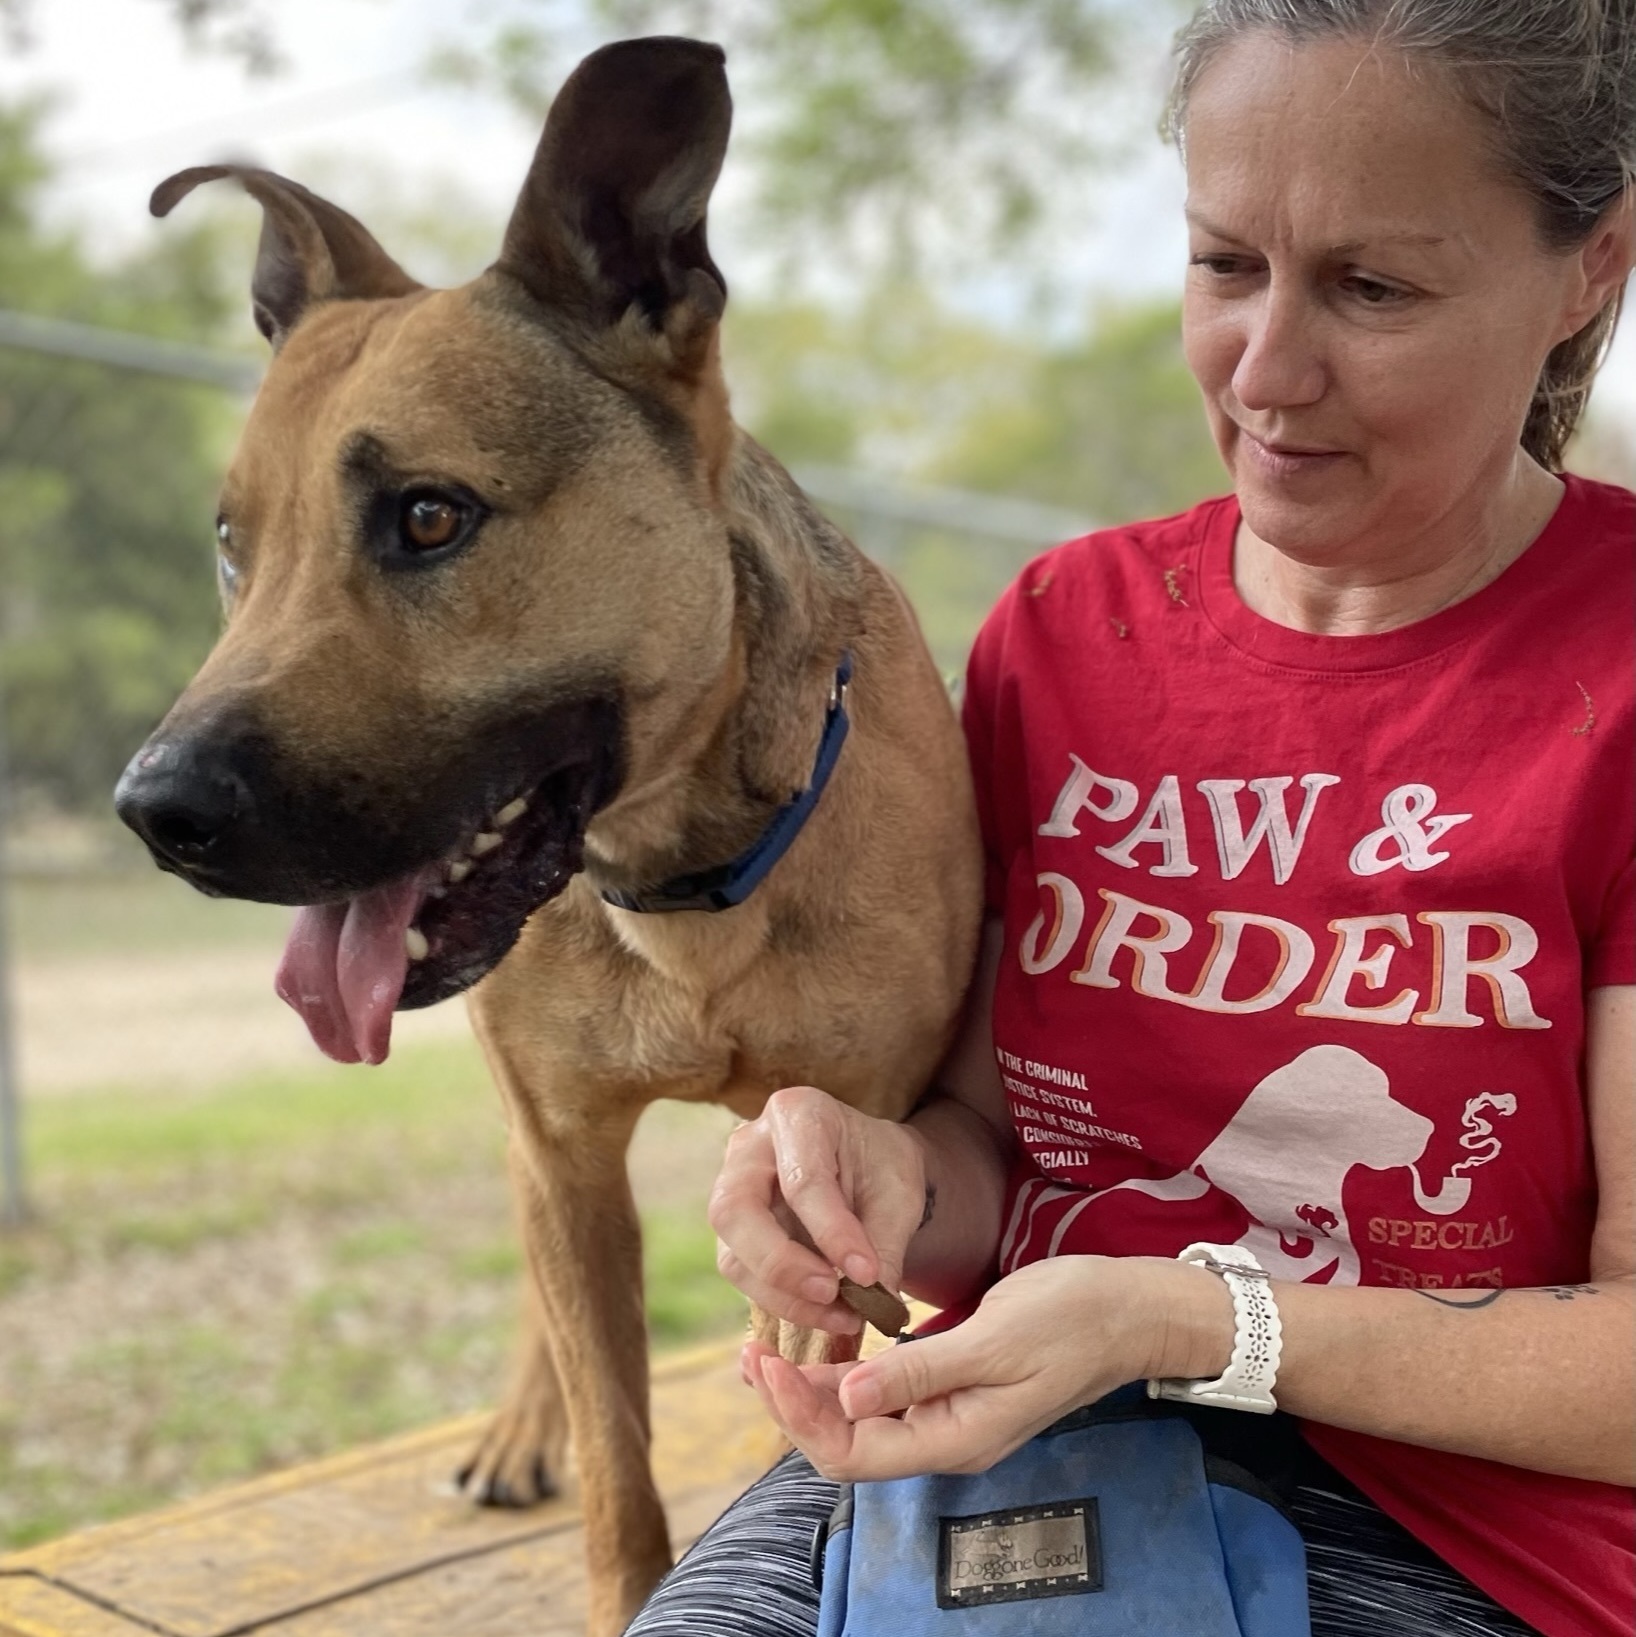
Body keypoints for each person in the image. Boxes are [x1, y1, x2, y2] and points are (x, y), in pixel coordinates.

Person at [626, 3, 1636, 1633]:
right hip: (1035, 1432)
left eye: (1372, 288)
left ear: (1593, 263)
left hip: (1472, 1531)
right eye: (1227, 264)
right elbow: (991, 1153)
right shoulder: (1064, 631)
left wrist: (1188, 1321)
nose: (1266, 367)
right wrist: (867, 1171)